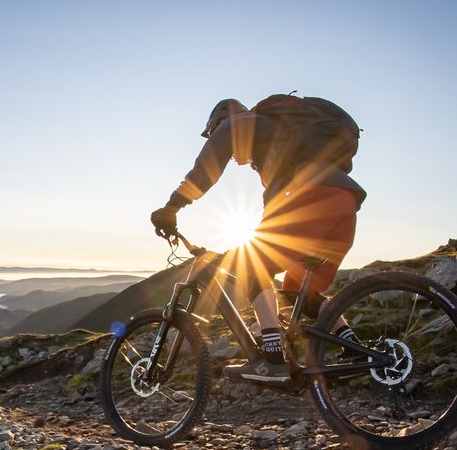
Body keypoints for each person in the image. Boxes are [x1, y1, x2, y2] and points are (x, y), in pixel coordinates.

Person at [149, 96, 367, 383]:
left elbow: (206, 170)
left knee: (250, 265)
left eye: (212, 133)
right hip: (344, 204)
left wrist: (171, 207)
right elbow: (277, 214)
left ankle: (273, 359)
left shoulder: (237, 123)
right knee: (297, 292)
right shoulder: (282, 142)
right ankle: (356, 351)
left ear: (218, 122)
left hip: (311, 198)